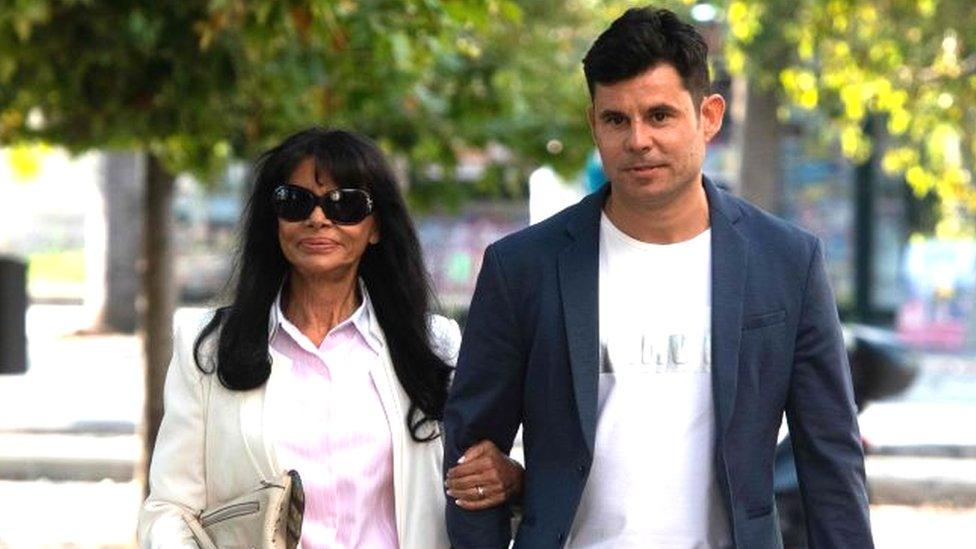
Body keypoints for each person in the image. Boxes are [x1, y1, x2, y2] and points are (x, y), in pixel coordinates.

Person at [443, 7, 873, 548]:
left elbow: (830, 460)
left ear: (709, 116)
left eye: (660, 115)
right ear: (593, 124)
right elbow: (470, 458)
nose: (638, 140)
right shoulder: (523, 267)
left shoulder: (786, 262)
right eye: (616, 120)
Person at [139, 127, 521, 548]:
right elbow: (170, 510)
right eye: (295, 201)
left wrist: (507, 476)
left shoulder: (434, 345)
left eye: (346, 204)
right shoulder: (209, 348)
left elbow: (499, 463)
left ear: (376, 227)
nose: (318, 218)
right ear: (274, 220)